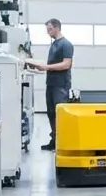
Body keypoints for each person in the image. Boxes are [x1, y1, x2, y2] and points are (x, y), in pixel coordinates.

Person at [25, 19, 75, 151]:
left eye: (50, 29)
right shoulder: (54, 45)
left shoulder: (66, 44)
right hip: (51, 84)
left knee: (60, 114)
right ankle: (55, 140)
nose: (48, 32)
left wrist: (46, 67)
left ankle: (63, 142)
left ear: (57, 28)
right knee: (51, 113)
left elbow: (66, 64)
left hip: (61, 85)